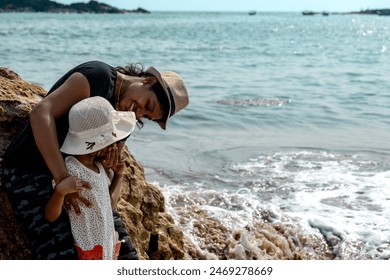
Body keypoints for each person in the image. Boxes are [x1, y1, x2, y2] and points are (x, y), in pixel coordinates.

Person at [2, 60, 189, 259]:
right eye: (147, 105)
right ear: (148, 81)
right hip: (31, 170)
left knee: (127, 255)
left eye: (146, 116)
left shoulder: (126, 117)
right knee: (61, 254)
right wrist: (62, 178)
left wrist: (107, 166)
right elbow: (41, 113)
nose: (139, 113)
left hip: (79, 182)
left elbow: (104, 174)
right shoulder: (98, 76)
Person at [45, 96, 136, 260]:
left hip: (106, 248)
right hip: (87, 250)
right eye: (113, 141)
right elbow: (51, 216)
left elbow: (110, 205)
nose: (115, 146)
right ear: (99, 144)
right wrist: (59, 193)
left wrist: (119, 175)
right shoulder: (71, 169)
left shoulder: (99, 168)